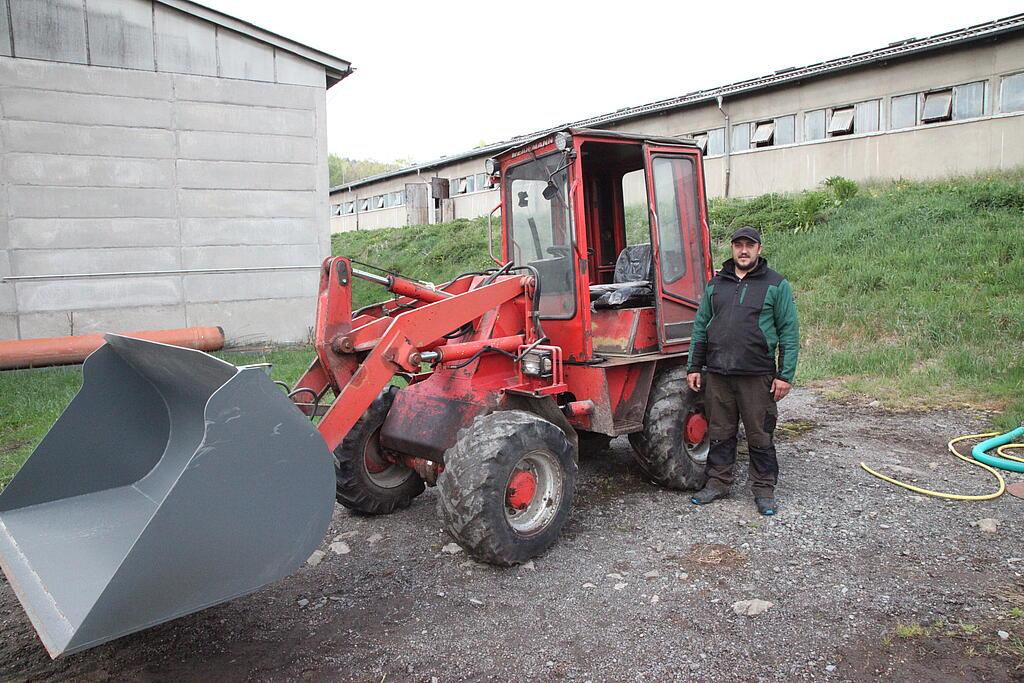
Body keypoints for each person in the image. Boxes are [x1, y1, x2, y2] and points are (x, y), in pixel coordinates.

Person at [686, 226, 799, 516]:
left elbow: (789, 331)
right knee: (721, 431)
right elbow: (701, 327)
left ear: (759, 249)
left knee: (760, 434)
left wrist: (784, 375)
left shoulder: (776, 285)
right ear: (732, 249)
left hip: (756, 375)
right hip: (719, 375)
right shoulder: (717, 285)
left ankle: (763, 490)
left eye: (750, 245)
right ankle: (718, 483)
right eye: (739, 245)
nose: (744, 250)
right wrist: (694, 366)